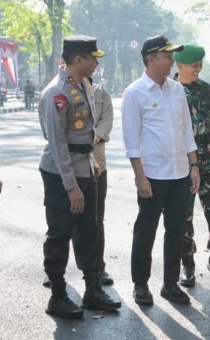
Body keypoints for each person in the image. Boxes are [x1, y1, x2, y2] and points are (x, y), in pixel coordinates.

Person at [38, 35, 120, 319]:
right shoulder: (56, 93)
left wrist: (89, 168)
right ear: (77, 60)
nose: (96, 63)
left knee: (90, 230)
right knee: (60, 233)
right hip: (62, 174)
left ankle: (92, 289)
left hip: (86, 168)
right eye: (92, 58)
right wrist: (72, 187)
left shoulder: (81, 85)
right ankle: (58, 295)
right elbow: (58, 144)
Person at [122, 35, 200, 307]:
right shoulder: (134, 93)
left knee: (176, 229)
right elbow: (132, 143)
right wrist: (140, 177)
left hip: (180, 172)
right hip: (152, 175)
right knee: (146, 229)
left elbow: (186, 131)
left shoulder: (177, 90)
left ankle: (170, 283)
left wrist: (193, 165)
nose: (172, 61)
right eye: (167, 56)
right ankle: (140, 284)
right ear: (151, 59)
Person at [173, 43, 210, 288]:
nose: (199, 69)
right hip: (183, 163)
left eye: (200, 65)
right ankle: (187, 263)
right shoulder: (170, 91)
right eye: (194, 65)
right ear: (180, 65)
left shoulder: (207, 89)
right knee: (183, 216)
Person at [90, 78, 114, 286]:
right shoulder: (57, 90)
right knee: (62, 221)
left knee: (97, 217)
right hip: (67, 165)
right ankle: (54, 270)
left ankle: (99, 266)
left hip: (97, 164)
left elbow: (107, 119)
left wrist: (91, 137)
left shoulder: (100, 92)